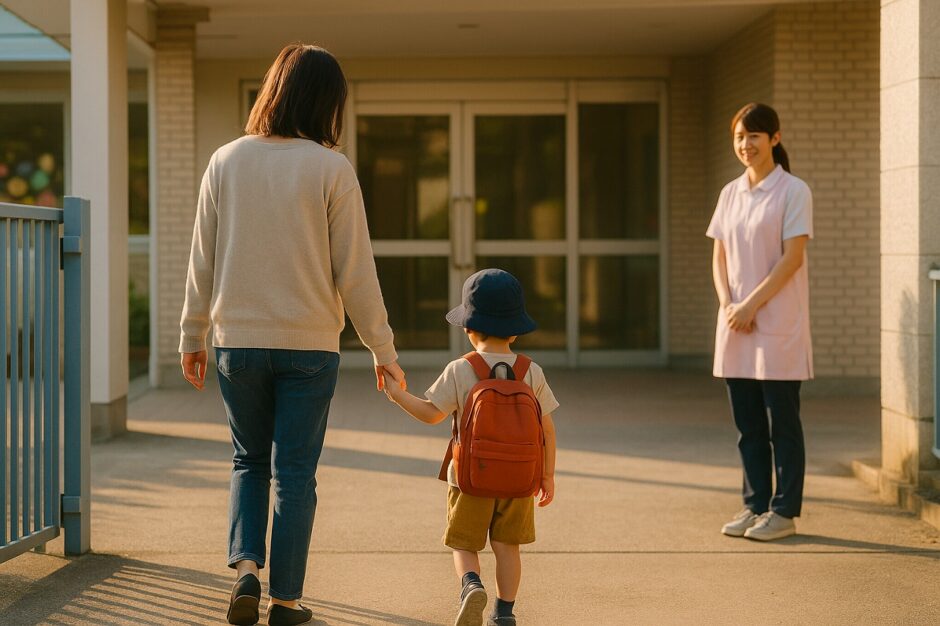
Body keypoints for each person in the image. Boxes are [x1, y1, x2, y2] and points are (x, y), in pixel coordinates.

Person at [178, 44, 405, 626]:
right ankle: (286, 600)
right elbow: (356, 272)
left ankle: (247, 573)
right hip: (309, 346)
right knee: (295, 472)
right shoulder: (331, 168)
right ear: (327, 103)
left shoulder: (225, 161)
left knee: (247, 460)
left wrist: (192, 334)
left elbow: (201, 258)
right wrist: (384, 350)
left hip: (237, 343)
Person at [382, 268, 558, 626]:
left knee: (464, 543)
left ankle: (470, 585)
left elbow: (432, 415)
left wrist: (397, 395)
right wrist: (547, 476)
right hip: (519, 480)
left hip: (469, 479)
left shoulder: (461, 369)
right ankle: (504, 613)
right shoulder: (531, 371)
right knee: (508, 547)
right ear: (515, 329)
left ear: (467, 327)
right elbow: (547, 430)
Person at [707, 102, 813, 542]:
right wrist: (729, 304)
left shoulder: (793, 191)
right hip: (736, 325)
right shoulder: (731, 193)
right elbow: (719, 254)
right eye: (739, 137)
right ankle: (755, 505)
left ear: (775, 138)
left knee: (782, 423)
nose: (745, 144)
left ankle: (784, 512)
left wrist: (750, 305)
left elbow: (793, 258)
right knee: (748, 425)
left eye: (754, 135)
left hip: (777, 325)